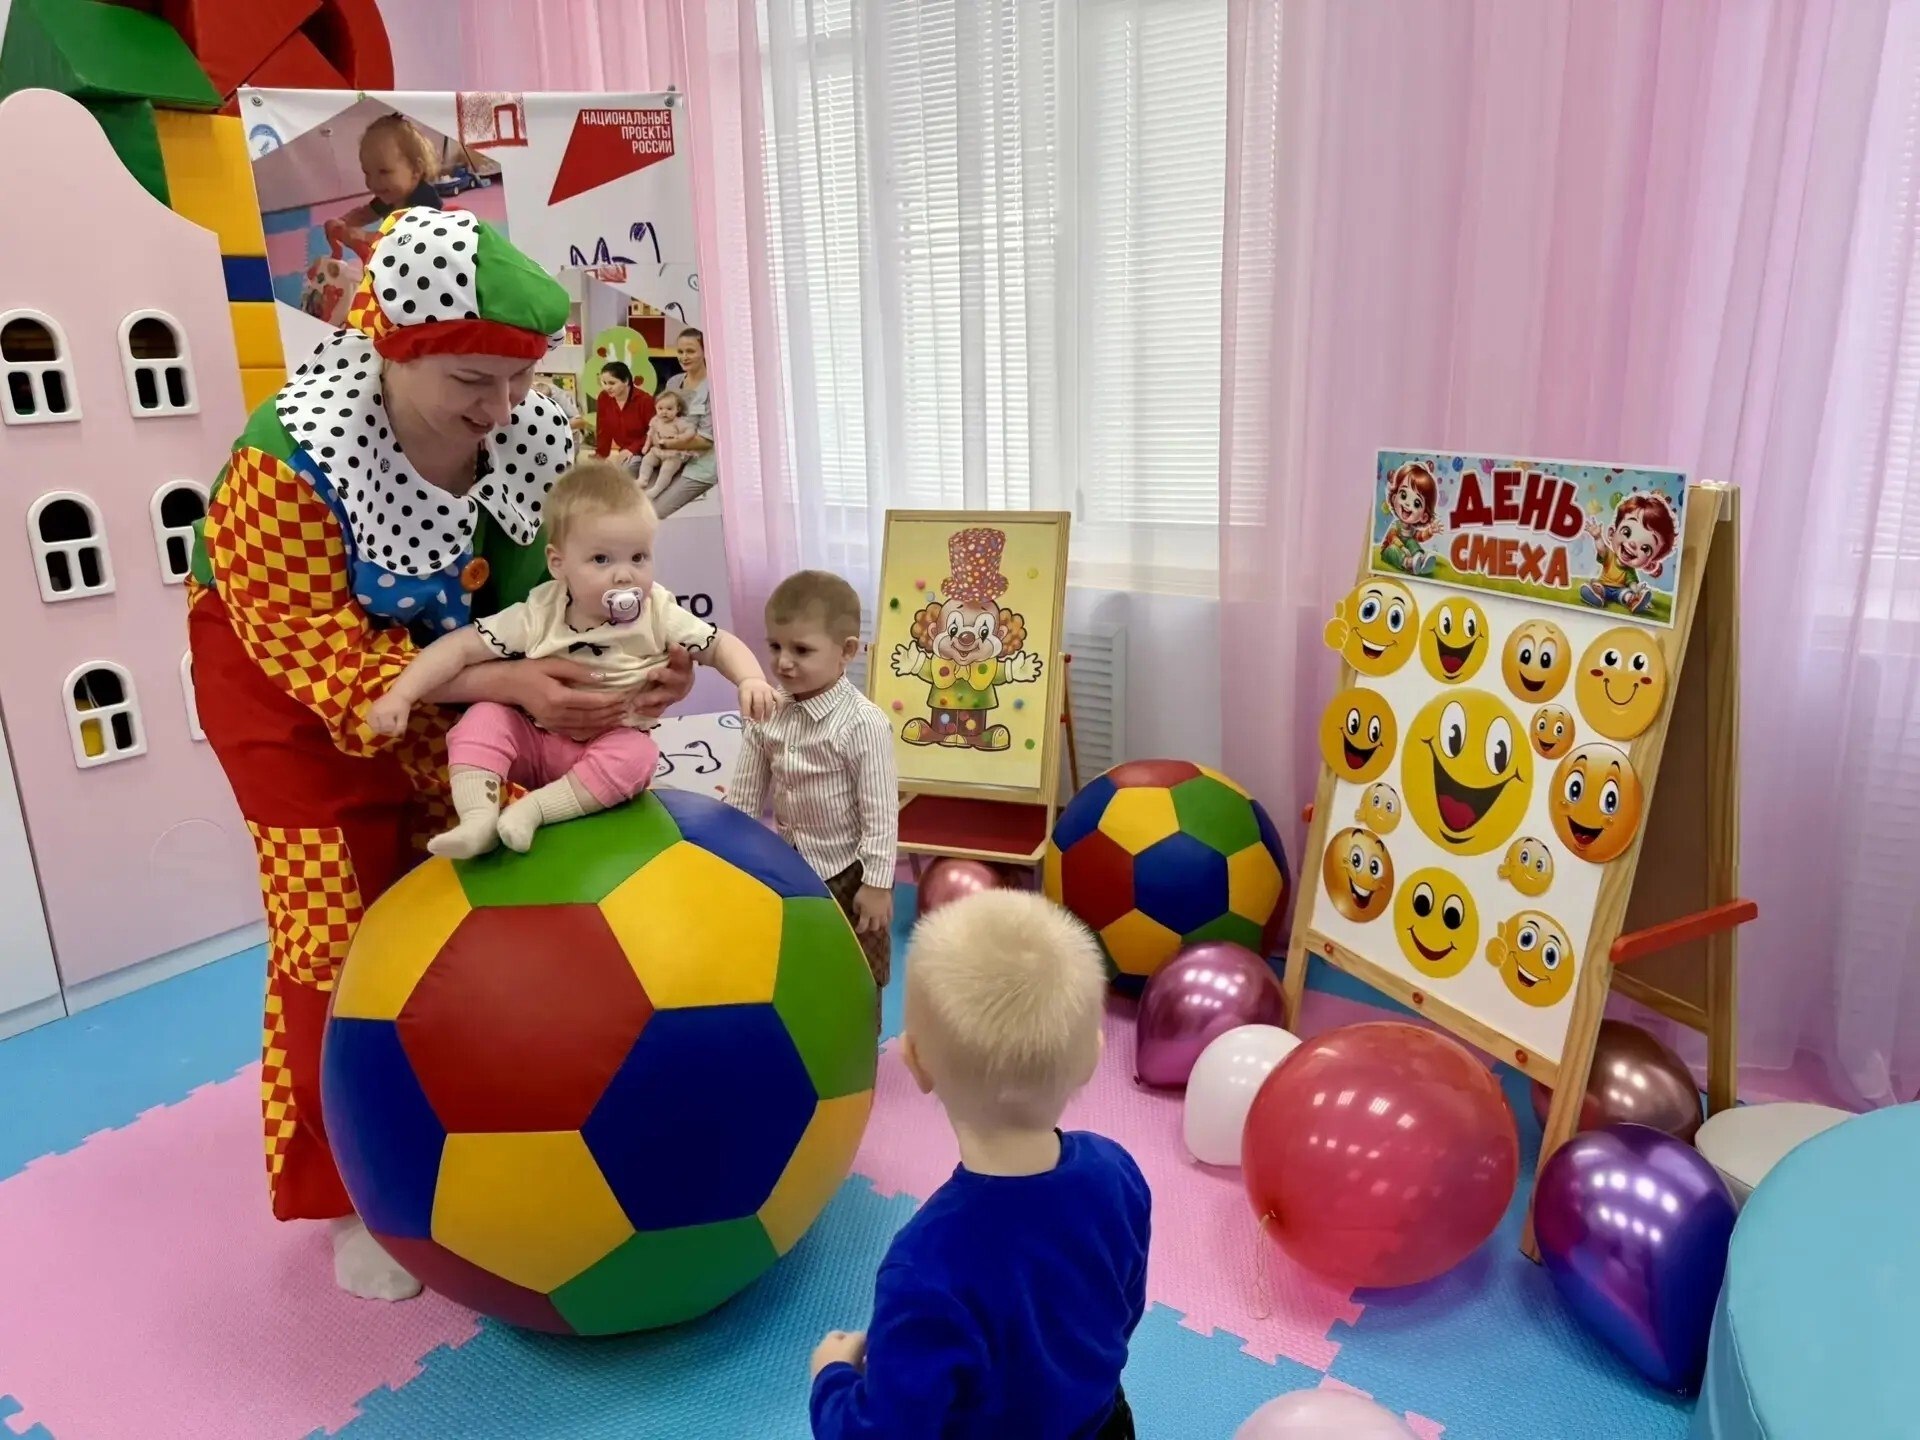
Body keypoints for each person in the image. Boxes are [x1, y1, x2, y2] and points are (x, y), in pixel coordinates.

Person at [186, 207, 697, 1301]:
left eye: (519, 380)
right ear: (392, 345)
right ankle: (352, 1194)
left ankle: (483, 1124)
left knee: (475, 878)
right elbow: (323, 654)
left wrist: (628, 671)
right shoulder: (288, 464)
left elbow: (554, 598)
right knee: (334, 936)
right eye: (472, 381)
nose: (501, 408)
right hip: (286, 690)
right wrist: (505, 684)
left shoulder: (530, 430)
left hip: (457, 661)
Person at [809, 890, 1150, 1438]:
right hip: (1105, 1423)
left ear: (915, 1061)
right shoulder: (1118, 1174)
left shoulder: (925, 1267)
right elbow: (1123, 1311)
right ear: (1092, 1054)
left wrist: (831, 1377)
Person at [368, 461, 777, 856]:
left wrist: (750, 679)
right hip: (533, 738)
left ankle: (534, 811)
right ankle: (477, 819)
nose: (624, 575)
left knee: (638, 756)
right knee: (484, 718)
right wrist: (402, 694)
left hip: (606, 742)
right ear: (558, 564)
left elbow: (718, 644)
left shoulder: (658, 610)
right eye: (601, 559)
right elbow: (459, 647)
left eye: (638, 557)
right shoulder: (540, 612)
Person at [726, 571, 897, 1017]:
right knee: (799, 960)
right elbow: (745, 794)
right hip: (790, 864)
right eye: (774, 646)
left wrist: (877, 884)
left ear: (846, 652)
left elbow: (881, 814)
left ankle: (863, 1038)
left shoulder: (863, 724)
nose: (783, 663)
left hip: (848, 869)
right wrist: (728, 853)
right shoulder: (769, 710)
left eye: (801, 650)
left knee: (862, 966)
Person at [323, 114, 443, 260]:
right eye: (367, 173)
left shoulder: (426, 202)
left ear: (415, 170)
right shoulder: (391, 195)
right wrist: (344, 222)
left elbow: (407, 238)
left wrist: (366, 237)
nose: (372, 182)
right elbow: (367, 213)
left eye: (384, 172)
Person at [650, 328, 718, 518]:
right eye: (680, 351)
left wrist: (665, 443)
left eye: (690, 351)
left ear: (705, 352)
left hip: (700, 466)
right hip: (669, 458)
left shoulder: (713, 386)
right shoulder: (673, 383)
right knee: (638, 501)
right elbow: (660, 419)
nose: (684, 357)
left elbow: (706, 441)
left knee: (656, 512)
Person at [589, 360, 656, 466]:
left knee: (628, 468)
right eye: (604, 383)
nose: (607, 387)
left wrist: (632, 449)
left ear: (626, 381)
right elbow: (603, 428)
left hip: (647, 449)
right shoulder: (604, 397)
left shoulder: (645, 401)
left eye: (612, 383)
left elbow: (655, 432)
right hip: (624, 450)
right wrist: (601, 454)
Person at [634, 387, 698, 495]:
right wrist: (646, 446)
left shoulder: (679, 422)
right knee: (647, 460)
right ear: (656, 408)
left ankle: (657, 489)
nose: (664, 412)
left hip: (674, 454)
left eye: (669, 409)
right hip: (657, 451)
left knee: (667, 470)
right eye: (660, 408)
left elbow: (691, 431)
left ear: (677, 409)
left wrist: (682, 437)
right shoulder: (655, 420)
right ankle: (643, 479)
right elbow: (650, 433)